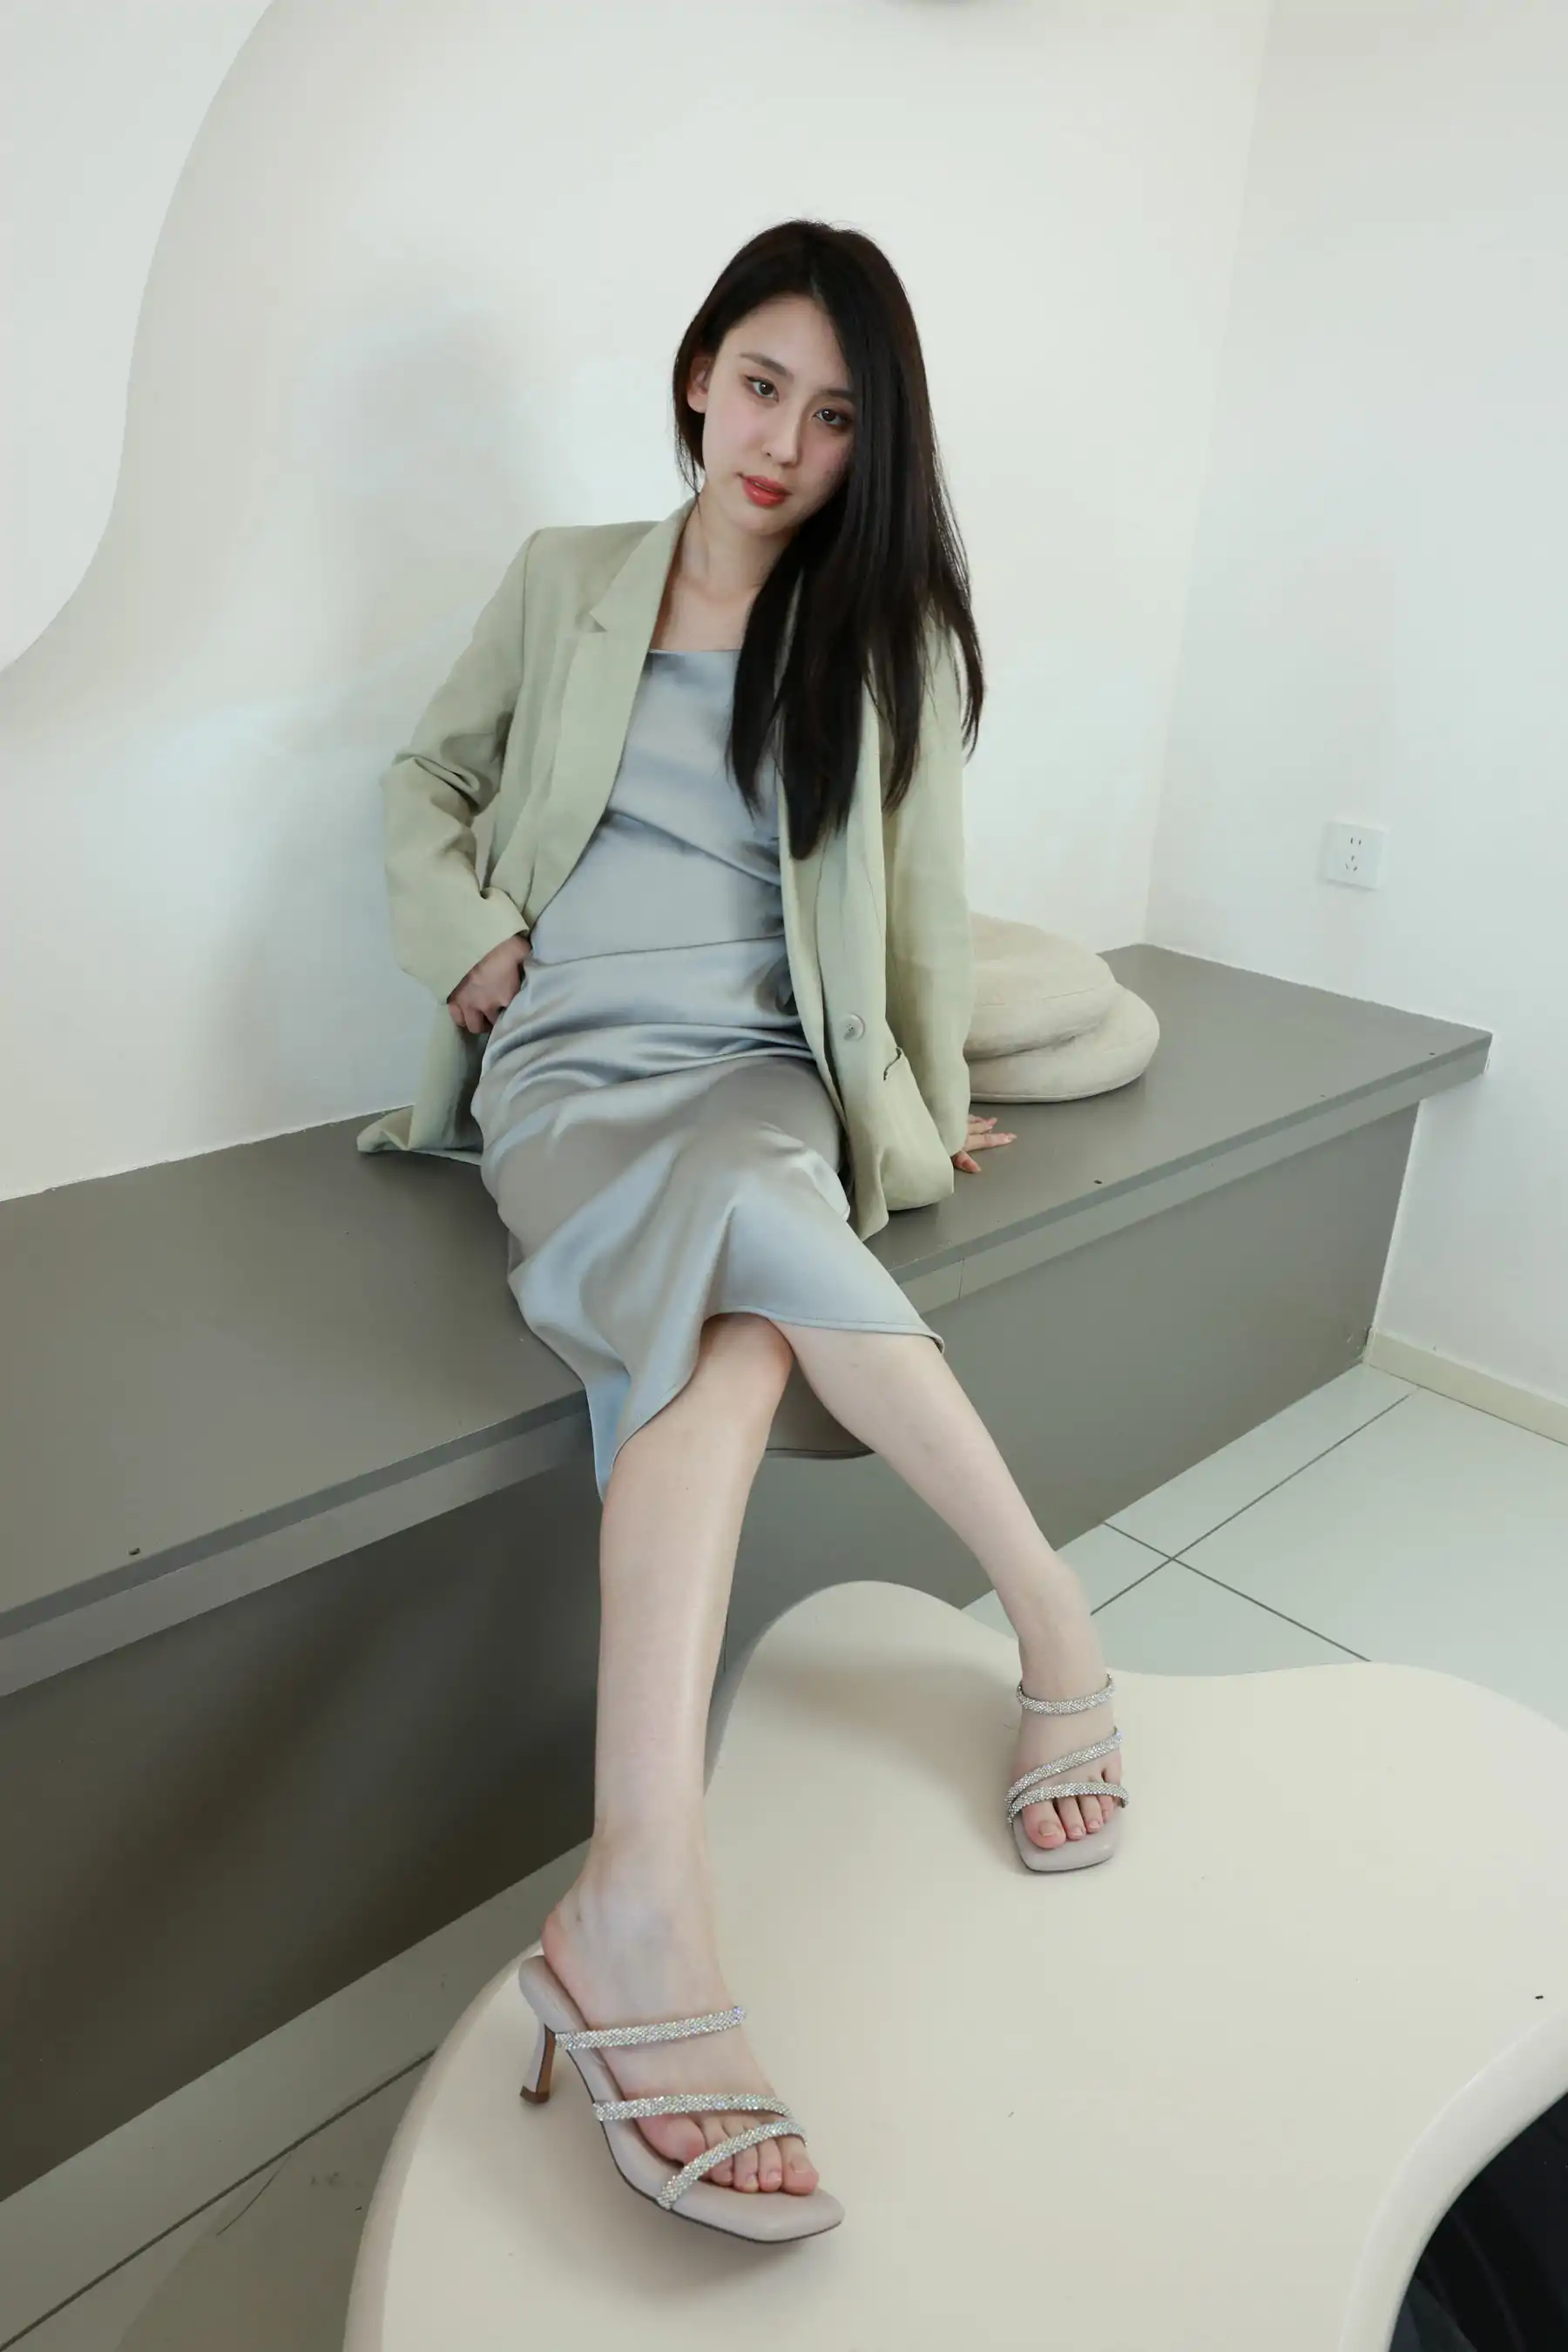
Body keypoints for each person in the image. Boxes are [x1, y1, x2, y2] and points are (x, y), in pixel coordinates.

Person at [375, 220, 1125, 2217]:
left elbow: (921, 912)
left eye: (839, 415)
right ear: (701, 373)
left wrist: (919, 1106)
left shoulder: (880, 639)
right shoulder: (566, 581)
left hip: (762, 1067)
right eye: (765, 385)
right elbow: (426, 776)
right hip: (566, 1064)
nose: (786, 442)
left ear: (876, 446)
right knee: (739, 1314)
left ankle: (641, 1898)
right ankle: (1053, 1630)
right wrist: (465, 935)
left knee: (736, 1269)